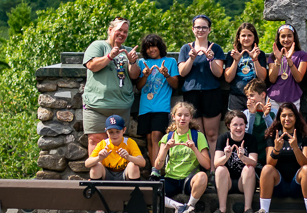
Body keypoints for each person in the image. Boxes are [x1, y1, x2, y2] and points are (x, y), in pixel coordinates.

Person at [252, 102, 307, 213]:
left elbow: (305, 162)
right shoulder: (272, 135)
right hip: (278, 184)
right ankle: (263, 211)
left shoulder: (304, 135)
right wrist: (276, 149)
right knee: (267, 169)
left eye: (290, 115)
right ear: (279, 117)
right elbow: (269, 162)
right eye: (283, 115)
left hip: (298, 185)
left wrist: (295, 148)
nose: (287, 119)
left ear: (296, 117)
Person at [82, 17, 140, 155]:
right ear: (110, 30)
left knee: (118, 145)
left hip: (122, 106)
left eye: (125, 32)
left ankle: (115, 176)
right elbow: (91, 65)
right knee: (96, 141)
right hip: (97, 106)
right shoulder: (98, 46)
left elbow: (134, 76)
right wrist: (109, 56)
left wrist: (132, 62)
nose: (122, 34)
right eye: (119, 30)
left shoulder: (128, 50)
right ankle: (96, 176)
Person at [154, 102, 211, 213]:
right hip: (171, 178)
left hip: (189, 180)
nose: (182, 118)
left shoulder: (198, 136)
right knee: (150, 190)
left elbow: (207, 165)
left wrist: (194, 148)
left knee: (202, 176)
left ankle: (190, 205)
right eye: (179, 115)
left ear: (191, 117)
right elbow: (157, 166)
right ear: (173, 117)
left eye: (186, 115)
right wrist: (165, 149)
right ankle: (180, 207)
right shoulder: (167, 137)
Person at [178, 14, 226, 158]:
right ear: (193, 29)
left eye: (204, 27)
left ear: (209, 29)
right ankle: (200, 168)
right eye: (198, 27)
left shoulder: (215, 48)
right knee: (197, 135)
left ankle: (212, 169)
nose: (201, 30)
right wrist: (191, 59)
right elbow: (182, 72)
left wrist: (211, 59)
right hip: (191, 94)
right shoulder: (185, 49)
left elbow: (219, 74)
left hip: (211, 93)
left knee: (212, 134)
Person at [85, 114, 145, 213]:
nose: (114, 135)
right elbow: (87, 163)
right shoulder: (103, 144)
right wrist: (99, 158)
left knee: (133, 166)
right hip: (107, 174)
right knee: (95, 167)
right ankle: (99, 207)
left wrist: (128, 157)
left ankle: (132, 206)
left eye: (118, 131)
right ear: (106, 132)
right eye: (111, 132)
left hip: (123, 174)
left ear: (124, 130)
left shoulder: (129, 142)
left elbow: (142, 162)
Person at [135, 34, 179, 172]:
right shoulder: (142, 63)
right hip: (145, 107)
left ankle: (156, 171)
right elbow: (139, 86)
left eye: (153, 46)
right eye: (147, 48)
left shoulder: (170, 61)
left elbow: (176, 84)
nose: (151, 50)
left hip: (161, 107)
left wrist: (166, 75)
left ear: (159, 47)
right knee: (148, 139)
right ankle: (155, 168)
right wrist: (145, 75)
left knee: (156, 137)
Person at [209, 110, 258, 213]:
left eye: (241, 124)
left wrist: (243, 157)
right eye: (235, 125)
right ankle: (222, 209)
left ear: (245, 125)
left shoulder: (251, 139)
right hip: (227, 182)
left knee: (249, 168)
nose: (238, 128)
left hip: (244, 182)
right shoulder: (223, 138)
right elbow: (216, 163)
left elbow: (254, 162)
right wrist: (226, 156)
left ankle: (248, 209)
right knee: (220, 169)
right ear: (228, 125)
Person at [224, 22, 268, 111]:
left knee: (254, 123)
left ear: (254, 37)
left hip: (255, 96)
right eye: (243, 35)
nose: (246, 38)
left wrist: (255, 59)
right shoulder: (232, 54)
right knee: (236, 123)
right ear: (238, 38)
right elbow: (228, 78)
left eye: (249, 35)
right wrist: (236, 61)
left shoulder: (260, 54)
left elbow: (262, 77)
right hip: (236, 95)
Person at [267, 24, 307, 113]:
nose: (286, 39)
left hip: (293, 97)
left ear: (294, 37)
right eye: (283, 36)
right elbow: (272, 79)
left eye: (289, 36)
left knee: (290, 125)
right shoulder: (274, 55)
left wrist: (289, 60)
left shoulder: (302, 55)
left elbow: (299, 78)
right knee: (273, 125)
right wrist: (278, 60)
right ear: (278, 38)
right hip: (274, 97)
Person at [242, 79, 274, 174]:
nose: (249, 99)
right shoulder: (245, 113)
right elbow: (247, 135)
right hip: (252, 156)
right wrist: (252, 114)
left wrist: (267, 115)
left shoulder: (274, 112)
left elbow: (273, 133)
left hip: (268, 156)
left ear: (263, 95)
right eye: (247, 97)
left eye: (252, 95)